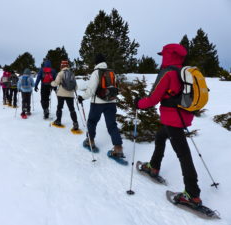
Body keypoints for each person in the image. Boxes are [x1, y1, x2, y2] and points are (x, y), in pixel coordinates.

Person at [135, 43, 202, 207]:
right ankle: (154, 166)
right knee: (160, 136)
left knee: (183, 154)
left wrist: (138, 104)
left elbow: (152, 99)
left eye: (163, 55)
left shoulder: (168, 73)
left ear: (168, 55)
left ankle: (192, 195)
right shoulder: (184, 72)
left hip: (173, 119)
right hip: (183, 116)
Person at [77, 53, 124, 157]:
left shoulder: (96, 73)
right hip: (111, 102)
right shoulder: (112, 72)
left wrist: (82, 97)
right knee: (112, 125)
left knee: (92, 122)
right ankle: (118, 148)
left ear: (96, 62)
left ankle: (91, 141)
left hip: (97, 103)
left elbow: (91, 90)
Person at [51, 60, 79, 130]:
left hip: (61, 93)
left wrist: (51, 83)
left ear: (62, 66)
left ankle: (58, 121)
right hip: (70, 94)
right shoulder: (72, 74)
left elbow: (56, 83)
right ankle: (75, 123)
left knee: (59, 108)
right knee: (72, 109)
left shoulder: (60, 73)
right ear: (68, 66)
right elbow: (76, 87)